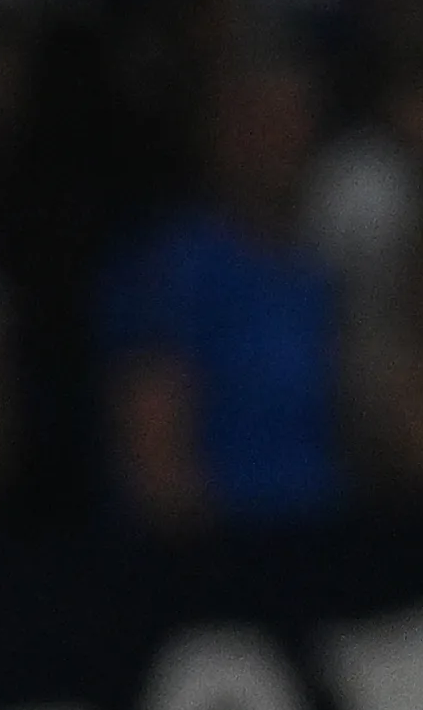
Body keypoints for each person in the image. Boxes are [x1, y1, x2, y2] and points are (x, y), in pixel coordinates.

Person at [101, 55, 344, 532]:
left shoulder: (318, 274)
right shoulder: (170, 269)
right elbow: (156, 458)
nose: (275, 140)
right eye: (255, 121)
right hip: (222, 565)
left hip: (327, 556)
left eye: (291, 119)